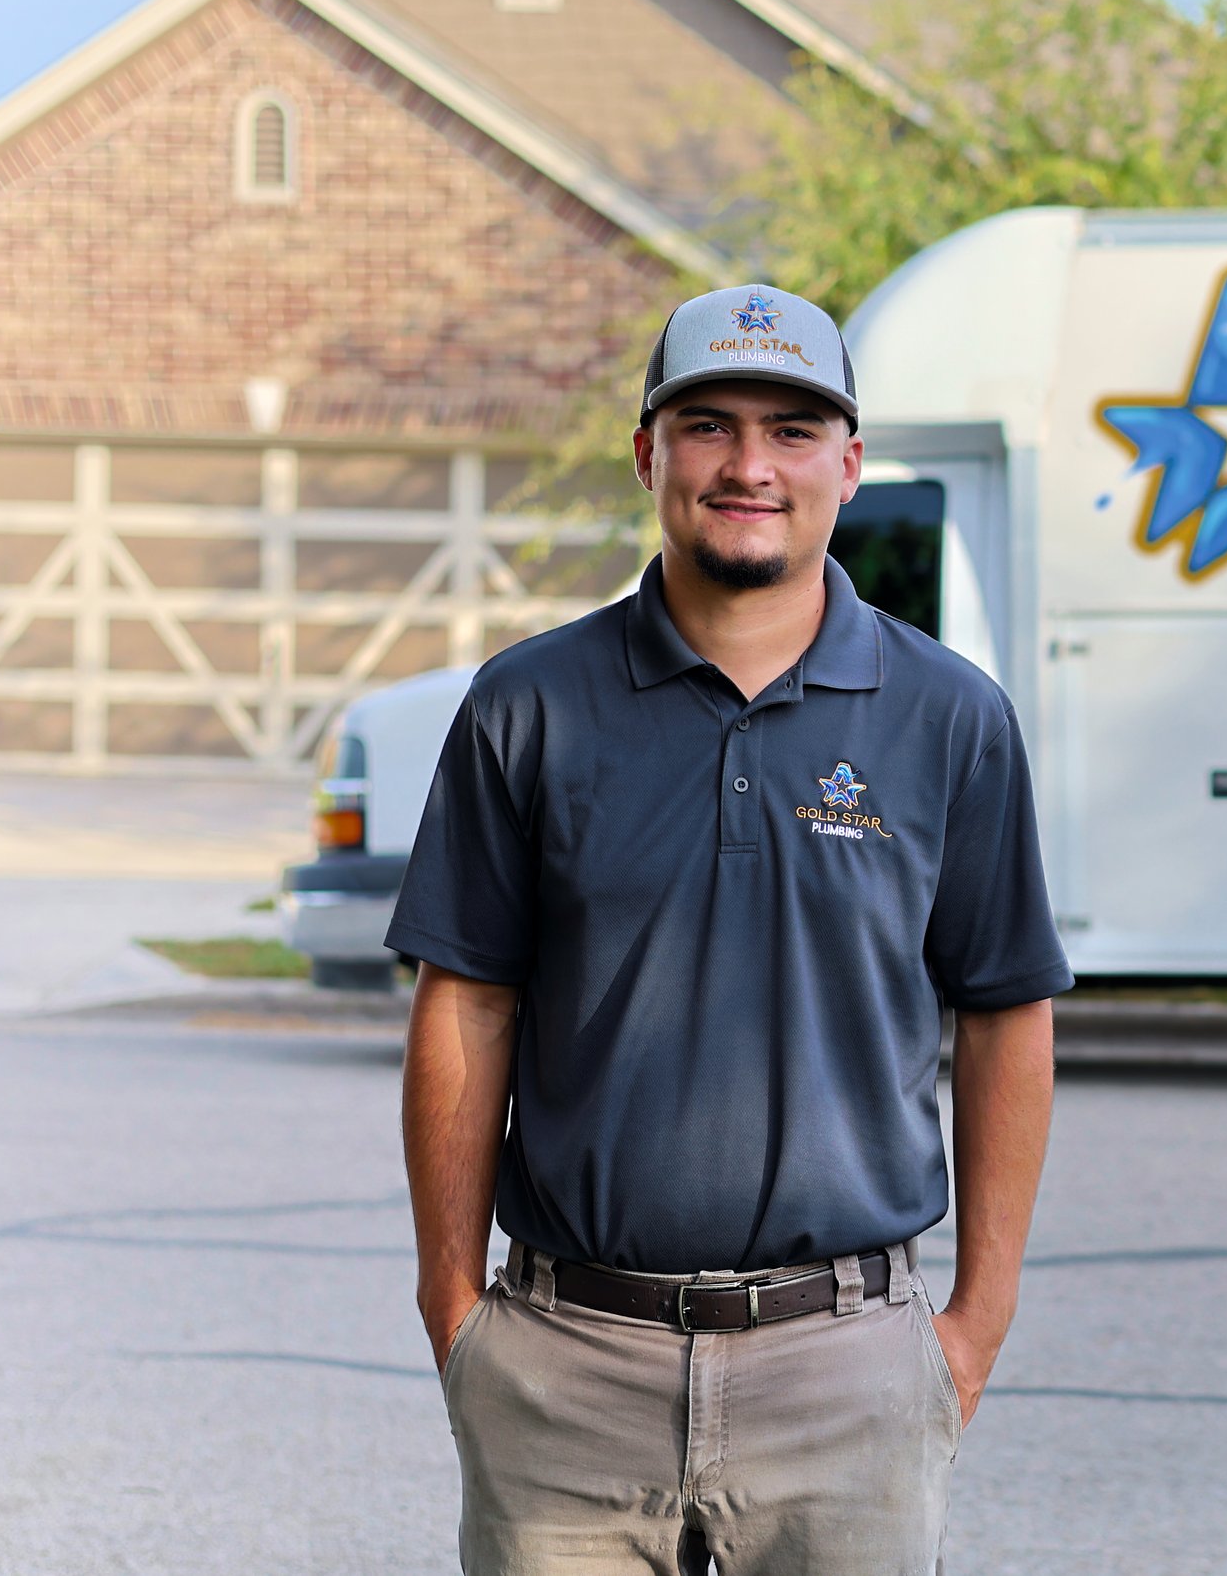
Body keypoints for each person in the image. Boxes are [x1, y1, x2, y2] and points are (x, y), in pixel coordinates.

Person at [388, 282, 1070, 1575]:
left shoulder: (949, 718)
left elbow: (1005, 1014)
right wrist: (453, 1308)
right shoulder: (528, 706)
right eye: (708, 425)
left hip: (848, 1371)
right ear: (651, 453)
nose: (749, 464)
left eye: (793, 429)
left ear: (851, 464)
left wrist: (974, 1325)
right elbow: (466, 1000)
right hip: (565, 1365)